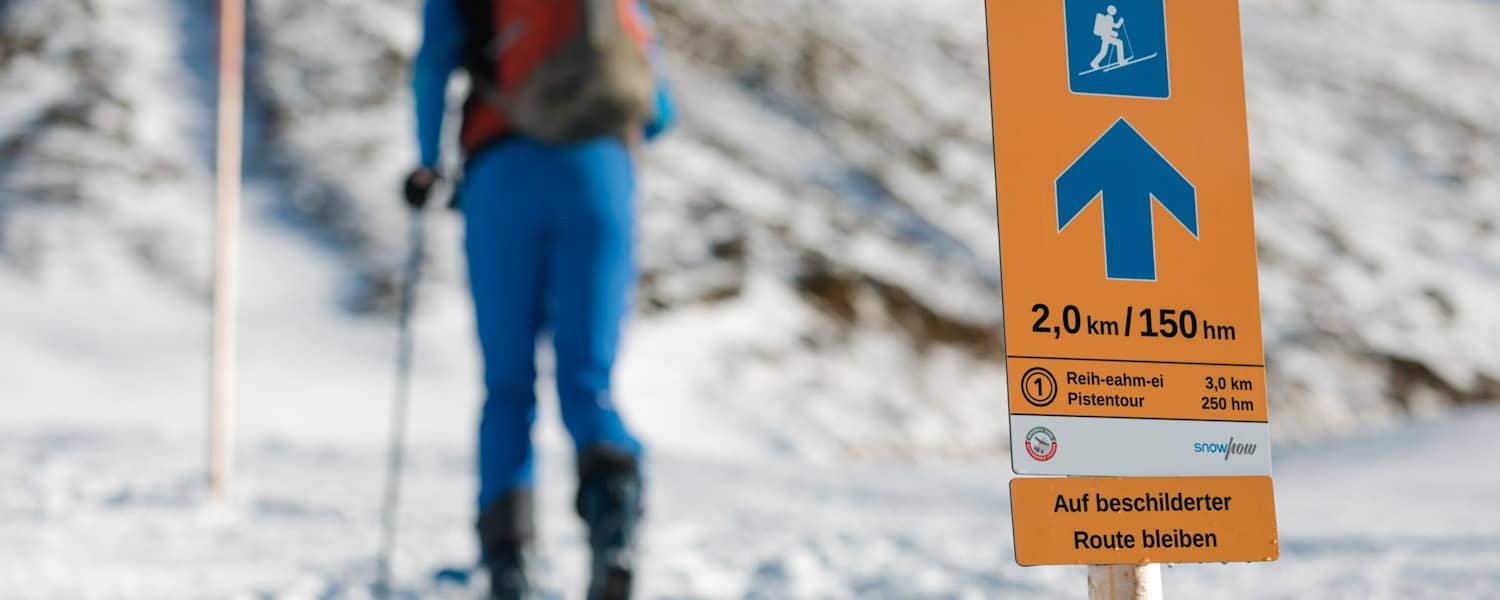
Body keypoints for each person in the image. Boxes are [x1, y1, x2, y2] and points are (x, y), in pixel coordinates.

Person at [402, 1, 674, 598]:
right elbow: (658, 106)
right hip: (600, 174)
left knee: (507, 384)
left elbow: (432, 66)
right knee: (588, 380)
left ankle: (509, 562)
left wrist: (427, 162)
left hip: (503, 171)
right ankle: (614, 533)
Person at [1090, 5, 1126, 70]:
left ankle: (1094, 63)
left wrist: (1119, 23)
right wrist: (1114, 33)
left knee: (1103, 52)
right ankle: (1121, 61)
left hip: (1106, 37)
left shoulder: (1108, 18)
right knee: (1119, 43)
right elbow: (1107, 29)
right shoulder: (1108, 18)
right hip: (1107, 37)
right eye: (1113, 10)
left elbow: (1114, 26)